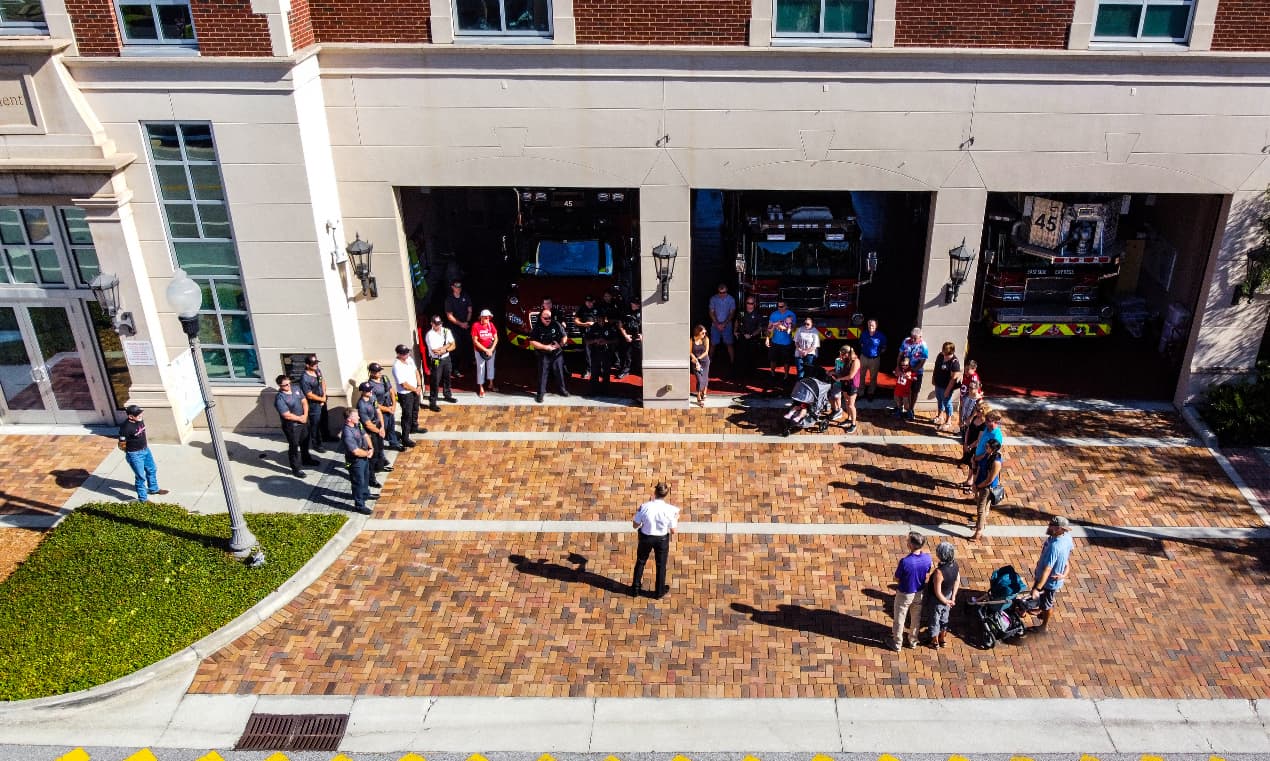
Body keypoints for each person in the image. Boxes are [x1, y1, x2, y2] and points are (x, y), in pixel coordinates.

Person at [631, 481, 680, 599]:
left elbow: (635, 525)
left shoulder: (644, 507)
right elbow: (673, 530)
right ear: (666, 494)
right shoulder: (672, 510)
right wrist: (676, 518)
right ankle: (659, 592)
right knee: (661, 565)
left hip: (645, 537)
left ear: (655, 492)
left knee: (641, 561)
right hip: (661, 539)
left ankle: (635, 589)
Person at [1030, 516, 1075, 630]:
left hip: (1048, 583)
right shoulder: (1067, 538)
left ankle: (1044, 627)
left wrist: (1038, 587)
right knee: (1041, 600)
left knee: (1047, 604)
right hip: (1044, 578)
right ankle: (1040, 609)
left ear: (1058, 528)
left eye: (1051, 525)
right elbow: (1066, 558)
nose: (1048, 526)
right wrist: (1065, 574)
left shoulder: (1055, 546)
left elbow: (1048, 569)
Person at [117, 405, 169, 501]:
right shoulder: (125, 428)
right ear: (131, 417)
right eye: (137, 414)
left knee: (152, 469)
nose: (140, 415)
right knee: (140, 477)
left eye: (140, 413)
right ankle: (143, 499)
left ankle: (153, 489)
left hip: (145, 450)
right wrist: (130, 452)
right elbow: (121, 444)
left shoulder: (140, 420)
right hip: (135, 455)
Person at [891, 531, 932, 651]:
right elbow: (928, 571)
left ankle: (897, 643)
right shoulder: (927, 558)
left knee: (900, 617)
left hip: (905, 593)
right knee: (916, 617)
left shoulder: (905, 562)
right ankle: (913, 640)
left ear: (912, 545)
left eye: (908, 540)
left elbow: (897, 578)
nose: (906, 542)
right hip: (919, 592)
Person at [274, 374, 317, 477]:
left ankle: (306, 459)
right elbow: (286, 415)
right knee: (294, 446)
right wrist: (299, 418)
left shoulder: (296, 389)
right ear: (280, 386)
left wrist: (305, 415)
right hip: (292, 426)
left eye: (289, 383)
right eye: (285, 385)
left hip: (303, 421)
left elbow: (304, 402)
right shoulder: (280, 398)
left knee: (305, 442)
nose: (289, 386)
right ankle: (296, 468)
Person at [529, 308, 569, 403]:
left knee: (559, 372)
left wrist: (561, 344)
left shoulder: (556, 324)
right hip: (543, 354)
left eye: (549, 318)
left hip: (557, 354)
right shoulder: (537, 327)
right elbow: (532, 341)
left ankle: (562, 390)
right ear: (541, 318)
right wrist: (545, 347)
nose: (548, 320)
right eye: (545, 318)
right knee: (542, 374)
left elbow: (565, 336)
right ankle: (540, 393)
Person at [340, 408, 374, 515]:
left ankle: (365, 494)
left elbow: (365, 435)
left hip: (363, 457)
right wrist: (367, 454)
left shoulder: (357, 424)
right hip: (355, 461)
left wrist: (371, 447)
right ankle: (359, 505)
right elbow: (355, 451)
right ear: (349, 419)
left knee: (365, 477)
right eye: (356, 416)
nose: (359, 417)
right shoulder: (347, 433)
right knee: (358, 481)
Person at [970, 438, 1003, 542]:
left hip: (987, 488)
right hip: (980, 483)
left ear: (993, 449)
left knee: (980, 509)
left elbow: (990, 479)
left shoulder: (996, 462)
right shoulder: (987, 455)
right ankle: (981, 524)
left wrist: (979, 486)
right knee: (983, 508)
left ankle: (979, 531)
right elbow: (978, 461)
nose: (985, 447)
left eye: (987, 446)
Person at [928, 541, 960, 649]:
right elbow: (957, 580)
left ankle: (935, 641)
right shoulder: (955, 565)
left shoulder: (939, 572)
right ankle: (943, 639)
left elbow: (937, 591)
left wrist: (945, 601)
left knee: (935, 619)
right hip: (948, 596)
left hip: (938, 600)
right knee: (944, 618)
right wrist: (953, 597)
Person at [392, 343, 425, 447]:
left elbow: (416, 372)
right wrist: (415, 389)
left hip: (415, 390)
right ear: (398, 354)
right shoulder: (397, 366)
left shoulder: (409, 359)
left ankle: (414, 427)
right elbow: (404, 384)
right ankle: (405, 438)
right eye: (404, 354)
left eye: (407, 352)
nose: (407, 355)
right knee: (407, 415)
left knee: (415, 409)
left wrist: (419, 385)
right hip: (406, 394)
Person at [356, 381, 391, 478]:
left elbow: (378, 411)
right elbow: (367, 424)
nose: (370, 391)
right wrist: (379, 431)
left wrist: (382, 427)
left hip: (378, 426)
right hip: (371, 431)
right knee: (373, 454)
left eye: (370, 389)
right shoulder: (361, 405)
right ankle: (371, 477)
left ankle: (380, 466)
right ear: (362, 392)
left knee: (380, 449)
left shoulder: (372, 398)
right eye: (368, 390)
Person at [424, 315, 457, 412]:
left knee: (447, 378)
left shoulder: (446, 331)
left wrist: (444, 349)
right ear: (432, 324)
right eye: (436, 324)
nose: (438, 326)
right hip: (436, 360)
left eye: (439, 323)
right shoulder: (429, 334)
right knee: (435, 381)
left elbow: (454, 345)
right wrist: (448, 346)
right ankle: (433, 402)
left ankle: (447, 395)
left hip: (446, 358)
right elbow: (435, 351)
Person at [367, 362, 400, 450]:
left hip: (390, 407)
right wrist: (387, 409)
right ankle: (378, 449)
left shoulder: (384, 378)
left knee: (391, 427)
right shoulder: (370, 385)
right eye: (377, 371)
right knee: (382, 429)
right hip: (381, 411)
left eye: (380, 371)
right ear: (372, 372)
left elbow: (391, 391)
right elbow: (374, 403)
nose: (380, 373)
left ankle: (394, 443)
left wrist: (394, 405)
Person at [898, 328, 929, 421]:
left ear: (920, 337)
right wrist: (898, 367)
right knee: (904, 390)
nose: (913, 340)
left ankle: (911, 409)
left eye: (915, 338)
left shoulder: (923, 346)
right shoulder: (906, 341)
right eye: (912, 337)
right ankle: (902, 407)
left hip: (917, 372)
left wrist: (912, 371)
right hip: (905, 370)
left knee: (914, 391)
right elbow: (900, 355)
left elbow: (922, 362)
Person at [444, 278, 473, 376]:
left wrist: (467, 322)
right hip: (454, 328)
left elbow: (470, 310)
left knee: (469, 344)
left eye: (460, 287)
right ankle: (455, 368)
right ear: (452, 287)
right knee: (456, 348)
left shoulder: (465, 296)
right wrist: (461, 324)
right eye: (456, 287)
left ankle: (469, 364)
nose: (459, 288)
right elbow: (449, 316)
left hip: (465, 325)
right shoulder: (449, 299)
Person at [299, 354, 328, 452]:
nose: (316, 365)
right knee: (315, 425)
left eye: (316, 363)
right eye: (313, 364)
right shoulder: (305, 378)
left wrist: (324, 396)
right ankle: (317, 444)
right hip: (313, 404)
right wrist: (321, 400)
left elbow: (322, 381)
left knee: (324, 420)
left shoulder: (317, 371)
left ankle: (326, 436)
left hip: (322, 399)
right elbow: (309, 395)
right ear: (307, 365)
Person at [932, 341, 963, 433]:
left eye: (945, 351)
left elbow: (953, 379)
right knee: (939, 400)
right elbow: (936, 367)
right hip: (938, 384)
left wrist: (947, 390)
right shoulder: (940, 356)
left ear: (950, 351)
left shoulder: (954, 363)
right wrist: (934, 378)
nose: (943, 352)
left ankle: (948, 421)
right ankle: (940, 416)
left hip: (946, 387)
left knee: (947, 403)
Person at [585, 312, 619, 394]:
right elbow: (586, 341)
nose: (601, 321)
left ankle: (606, 389)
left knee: (606, 371)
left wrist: (606, 341)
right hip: (595, 351)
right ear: (596, 319)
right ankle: (594, 389)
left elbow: (616, 339)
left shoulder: (610, 327)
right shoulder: (593, 327)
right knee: (594, 371)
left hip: (606, 351)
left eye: (602, 320)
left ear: (605, 319)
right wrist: (595, 340)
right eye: (599, 320)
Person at [958, 403, 989, 494]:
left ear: (984, 411)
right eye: (976, 409)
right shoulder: (975, 418)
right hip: (969, 444)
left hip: (976, 447)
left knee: (974, 466)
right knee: (970, 464)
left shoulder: (984, 424)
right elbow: (968, 430)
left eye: (979, 410)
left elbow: (979, 439)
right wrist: (965, 443)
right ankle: (969, 481)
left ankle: (972, 485)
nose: (977, 411)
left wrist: (970, 446)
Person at [765, 300, 797, 386]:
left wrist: (784, 328)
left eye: (781, 306)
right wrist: (767, 338)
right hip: (775, 341)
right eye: (778, 306)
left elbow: (793, 329)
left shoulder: (792, 314)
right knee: (773, 359)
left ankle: (786, 375)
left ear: (786, 306)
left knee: (786, 361)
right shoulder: (774, 314)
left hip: (786, 342)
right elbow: (769, 328)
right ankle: (772, 374)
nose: (779, 308)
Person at [831, 344, 861, 433]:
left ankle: (853, 424)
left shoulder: (856, 361)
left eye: (843, 354)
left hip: (852, 385)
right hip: (845, 383)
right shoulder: (845, 359)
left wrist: (839, 379)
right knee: (847, 402)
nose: (842, 356)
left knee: (851, 405)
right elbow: (841, 370)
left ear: (848, 353)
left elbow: (851, 376)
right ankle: (849, 418)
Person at [735, 295, 766, 379]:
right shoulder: (741, 313)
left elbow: (760, 328)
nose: (749, 305)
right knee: (741, 356)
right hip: (742, 337)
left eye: (751, 303)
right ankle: (741, 374)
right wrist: (735, 331)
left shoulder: (758, 314)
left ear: (754, 304)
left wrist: (751, 335)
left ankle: (751, 375)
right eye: (748, 303)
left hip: (753, 338)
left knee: (752, 357)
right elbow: (737, 321)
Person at [858, 319, 887, 401]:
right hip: (863, 357)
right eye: (869, 325)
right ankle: (860, 393)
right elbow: (861, 343)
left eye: (872, 325)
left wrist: (877, 353)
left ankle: (871, 393)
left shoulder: (881, 336)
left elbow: (884, 347)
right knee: (861, 375)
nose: (871, 326)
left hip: (874, 359)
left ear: (876, 326)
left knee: (873, 377)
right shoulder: (864, 334)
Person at [708, 283, 737, 367]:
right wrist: (717, 324)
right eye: (720, 293)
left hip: (727, 325)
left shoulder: (731, 299)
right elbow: (711, 312)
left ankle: (732, 362)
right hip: (715, 325)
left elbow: (732, 313)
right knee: (713, 344)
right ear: (718, 292)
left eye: (723, 292)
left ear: (726, 291)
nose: (722, 294)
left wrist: (724, 323)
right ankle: (709, 361)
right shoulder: (713, 299)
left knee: (729, 344)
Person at [472, 309, 498, 397]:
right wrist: (485, 350)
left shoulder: (491, 325)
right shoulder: (476, 326)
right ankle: (481, 387)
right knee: (481, 368)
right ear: (481, 318)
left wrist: (491, 349)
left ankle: (491, 384)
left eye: (489, 317)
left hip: (491, 350)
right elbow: (475, 341)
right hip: (480, 351)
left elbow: (496, 338)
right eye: (486, 317)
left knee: (491, 366)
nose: (488, 319)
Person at [573, 294, 599, 379]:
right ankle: (588, 370)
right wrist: (585, 324)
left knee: (598, 352)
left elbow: (605, 319)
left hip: (597, 334)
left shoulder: (598, 308)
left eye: (590, 302)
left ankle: (599, 370)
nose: (589, 304)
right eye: (587, 302)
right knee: (587, 354)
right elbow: (576, 321)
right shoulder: (582, 309)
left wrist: (595, 324)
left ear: (593, 301)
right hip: (586, 334)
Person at [615, 297, 642, 379]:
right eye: (634, 303)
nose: (636, 305)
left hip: (638, 338)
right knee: (627, 356)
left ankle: (639, 371)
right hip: (628, 337)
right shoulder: (625, 312)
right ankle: (625, 371)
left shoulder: (643, 312)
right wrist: (625, 335)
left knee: (639, 356)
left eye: (637, 303)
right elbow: (620, 326)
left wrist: (642, 335)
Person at [690, 324, 710, 407]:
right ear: (698, 332)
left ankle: (704, 392)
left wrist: (698, 358)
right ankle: (698, 396)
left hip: (705, 361)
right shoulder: (692, 340)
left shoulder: (706, 339)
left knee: (705, 378)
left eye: (705, 333)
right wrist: (695, 359)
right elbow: (690, 351)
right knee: (699, 379)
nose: (704, 335)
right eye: (702, 333)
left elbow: (706, 352)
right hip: (696, 362)